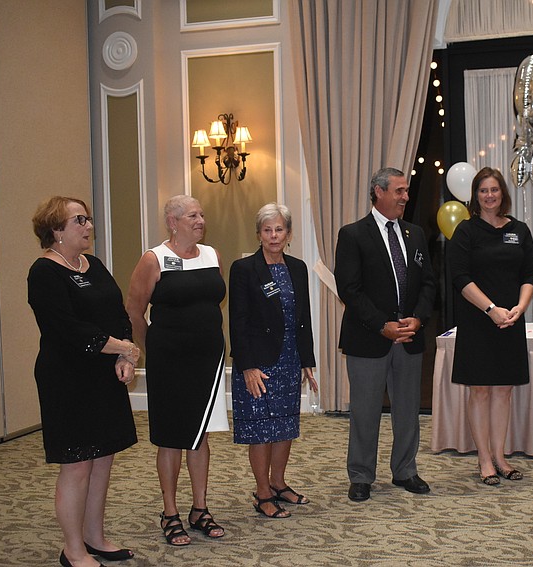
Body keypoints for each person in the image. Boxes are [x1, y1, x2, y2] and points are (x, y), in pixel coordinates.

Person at [28, 196, 139, 567]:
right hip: (68, 378)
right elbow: (68, 329)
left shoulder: (93, 264)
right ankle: (73, 550)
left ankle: (94, 537)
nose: (89, 226)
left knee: (102, 458)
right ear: (56, 229)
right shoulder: (44, 272)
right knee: (77, 464)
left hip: (103, 372)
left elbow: (117, 312)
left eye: (88, 219)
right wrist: (122, 348)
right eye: (80, 220)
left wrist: (124, 354)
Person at [126, 195, 228, 546]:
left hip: (208, 358)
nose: (201, 221)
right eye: (192, 216)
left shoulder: (212, 255)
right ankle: (169, 512)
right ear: (173, 222)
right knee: (170, 436)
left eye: (202, 214)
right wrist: (151, 349)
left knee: (199, 434)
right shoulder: (153, 259)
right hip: (168, 359)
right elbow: (134, 310)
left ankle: (200, 509)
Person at [334, 167, 436, 502]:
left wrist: (417, 319)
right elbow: (349, 289)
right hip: (369, 338)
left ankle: (405, 470)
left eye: (406, 191)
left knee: (407, 410)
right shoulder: (353, 235)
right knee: (365, 411)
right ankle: (361, 475)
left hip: (409, 337)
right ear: (379, 192)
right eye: (399, 191)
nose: (406, 197)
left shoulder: (414, 234)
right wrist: (383, 325)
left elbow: (428, 283)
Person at [445, 167, 533, 485]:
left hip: (510, 320)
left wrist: (519, 308)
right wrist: (490, 309)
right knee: (481, 390)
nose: (489, 195)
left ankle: (500, 456)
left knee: (503, 390)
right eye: (483, 190)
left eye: (494, 189)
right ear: (475, 195)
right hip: (478, 321)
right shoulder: (466, 231)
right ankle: (484, 459)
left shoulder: (519, 230)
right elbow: (460, 278)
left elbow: (529, 274)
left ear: (502, 194)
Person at [229, 203, 318, 519]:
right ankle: (263, 492)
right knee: (262, 429)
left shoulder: (298, 268)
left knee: (285, 425)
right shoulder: (244, 269)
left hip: (289, 359)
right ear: (259, 234)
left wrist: (307, 361)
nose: (273, 235)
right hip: (259, 364)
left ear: (288, 233)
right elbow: (237, 321)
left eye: (279, 229)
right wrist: (247, 366)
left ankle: (278, 484)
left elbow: (303, 318)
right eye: (267, 230)